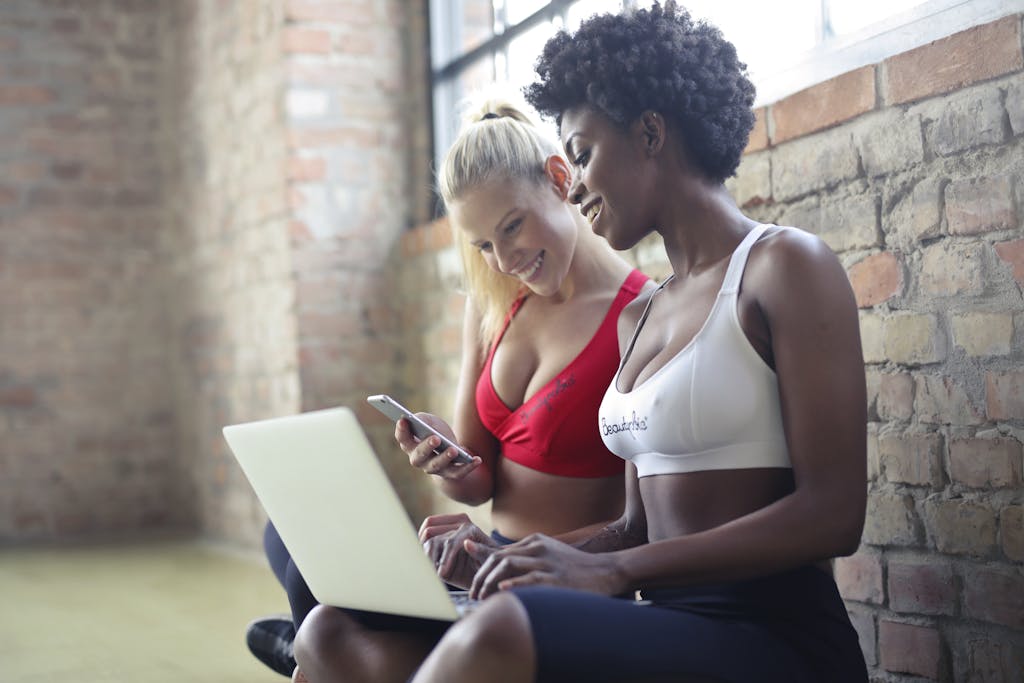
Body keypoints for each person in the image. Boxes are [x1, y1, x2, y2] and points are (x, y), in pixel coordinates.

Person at [294, 3, 870, 682]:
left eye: (584, 154)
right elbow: (634, 523)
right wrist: (510, 554)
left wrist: (611, 568)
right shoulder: (645, 317)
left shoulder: (785, 266)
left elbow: (834, 515)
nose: (579, 186)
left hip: (771, 633)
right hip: (658, 617)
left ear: (651, 133)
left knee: (502, 628)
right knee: (330, 629)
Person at [245, 96, 650, 678]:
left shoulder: (640, 317)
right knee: (291, 540)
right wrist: (448, 459)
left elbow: (640, 525)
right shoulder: (494, 305)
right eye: (484, 244)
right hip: (477, 566)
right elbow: (478, 479)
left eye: (512, 226)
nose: (505, 260)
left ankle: (312, 660)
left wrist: (501, 556)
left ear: (561, 178)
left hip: (554, 579)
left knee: (323, 624)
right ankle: (323, 651)